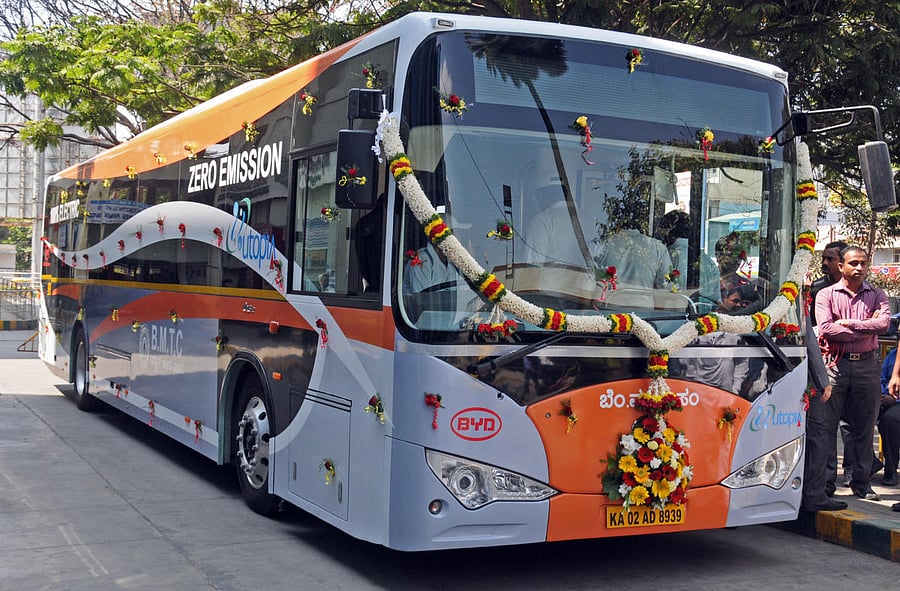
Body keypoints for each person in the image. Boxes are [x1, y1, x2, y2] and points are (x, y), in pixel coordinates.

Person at [814, 246, 890, 501]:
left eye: (863, 263)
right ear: (841, 266)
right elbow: (826, 329)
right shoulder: (826, 294)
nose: (859, 268)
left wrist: (851, 324)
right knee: (826, 426)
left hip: (867, 366)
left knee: (864, 428)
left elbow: (884, 324)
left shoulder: (877, 294)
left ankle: (861, 482)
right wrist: (867, 329)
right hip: (836, 366)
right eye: (853, 263)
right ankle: (825, 484)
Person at [656, 210, 719, 305]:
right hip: (705, 311)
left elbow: (666, 287)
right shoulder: (708, 261)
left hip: (678, 309)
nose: (662, 235)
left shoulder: (671, 255)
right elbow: (717, 298)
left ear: (669, 231)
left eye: (663, 230)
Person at [881, 346, 900, 486]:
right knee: (857, 414)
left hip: (896, 402)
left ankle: (891, 470)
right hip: (889, 399)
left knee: (890, 420)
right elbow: (882, 378)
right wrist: (883, 394)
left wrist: (896, 400)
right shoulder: (893, 354)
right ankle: (870, 463)